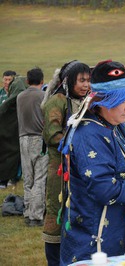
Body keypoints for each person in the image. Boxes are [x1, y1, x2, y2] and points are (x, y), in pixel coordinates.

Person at [58, 60, 125, 265]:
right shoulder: (89, 134)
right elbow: (104, 189)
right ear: (103, 100)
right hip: (93, 243)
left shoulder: (112, 124)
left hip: (114, 235)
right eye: (121, 100)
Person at [41, 60, 91, 266]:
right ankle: (54, 259)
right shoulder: (58, 101)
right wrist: (79, 145)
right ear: (69, 81)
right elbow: (52, 134)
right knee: (57, 209)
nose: (86, 85)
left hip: (81, 167)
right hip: (60, 170)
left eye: (88, 80)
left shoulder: (87, 101)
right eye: (81, 80)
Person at [16, 67, 49, 227]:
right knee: (39, 178)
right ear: (42, 81)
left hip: (23, 139)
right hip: (39, 140)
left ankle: (28, 212)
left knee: (27, 178)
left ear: (27, 81)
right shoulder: (43, 96)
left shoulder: (20, 97)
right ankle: (36, 215)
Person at [0, 70, 26, 189]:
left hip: (14, 128)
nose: (7, 82)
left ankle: (14, 177)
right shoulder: (1, 93)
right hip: (3, 127)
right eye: (5, 79)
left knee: (15, 151)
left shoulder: (17, 94)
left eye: (9, 80)